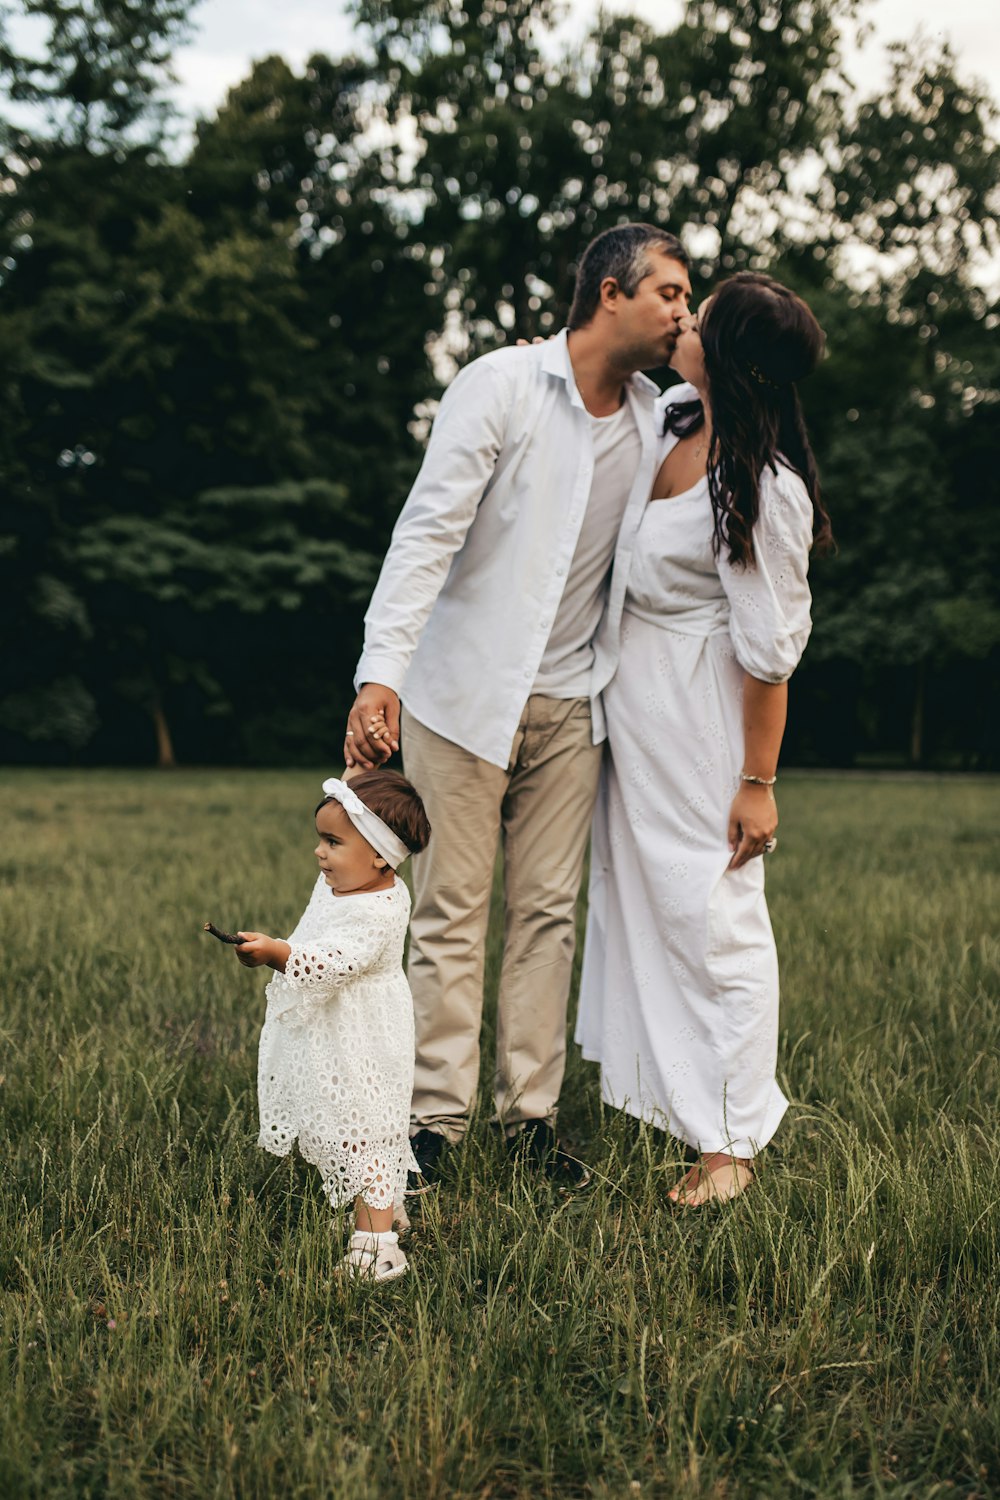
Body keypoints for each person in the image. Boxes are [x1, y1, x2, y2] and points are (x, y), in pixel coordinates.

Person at [342, 224, 692, 1187]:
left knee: (547, 915)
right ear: (610, 293)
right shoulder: (499, 385)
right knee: (452, 910)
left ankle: (530, 1119)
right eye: (669, 292)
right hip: (462, 699)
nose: (682, 313)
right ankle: (432, 1126)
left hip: (576, 704)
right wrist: (384, 673)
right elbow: (426, 534)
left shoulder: (659, 416)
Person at [576, 271, 833, 1206]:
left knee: (713, 919)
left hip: (701, 724)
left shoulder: (765, 488)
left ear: (726, 351)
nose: (684, 318)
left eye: (702, 312)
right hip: (634, 713)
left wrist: (758, 783)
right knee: (643, 905)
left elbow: (770, 656)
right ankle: (666, 1097)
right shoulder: (676, 417)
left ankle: (730, 1143)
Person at [231, 769, 431, 1281]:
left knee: (365, 1131)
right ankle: (387, 1210)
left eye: (333, 842)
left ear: (381, 855)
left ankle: (379, 1248)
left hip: (365, 1036)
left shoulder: (380, 909)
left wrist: (278, 953)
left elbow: (333, 959)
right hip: (337, 1033)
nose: (320, 854)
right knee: (346, 1128)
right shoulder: (349, 879)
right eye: (321, 838)